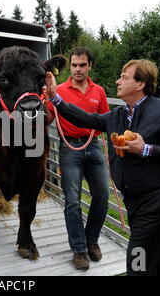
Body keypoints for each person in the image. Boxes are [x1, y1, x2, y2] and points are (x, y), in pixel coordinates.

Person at [45, 59, 160, 276]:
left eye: (124, 77)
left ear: (141, 83)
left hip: (157, 197)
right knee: (157, 248)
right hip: (133, 198)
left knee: (138, 257)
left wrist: (147, 149)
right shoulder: (118, 115)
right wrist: (55, 98)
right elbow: (85, 118)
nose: (118, 81)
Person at [46, 48, 110, 270]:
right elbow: (47, 117)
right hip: (70, 148)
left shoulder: (99, 91)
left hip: (93, 145)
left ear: (90, 65)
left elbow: (104, 120)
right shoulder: (59, 90)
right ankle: (79, 250)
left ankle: (91, 240)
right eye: (74, 65)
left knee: (102, 195)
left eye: (82, 65)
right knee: (72, 200)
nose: (78, 69)